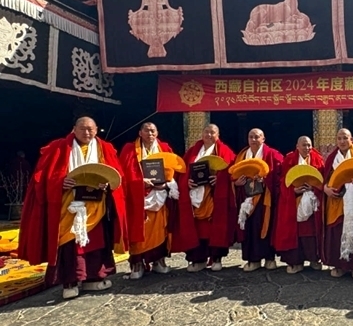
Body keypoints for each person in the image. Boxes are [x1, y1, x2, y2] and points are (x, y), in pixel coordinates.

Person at [18, 116, 127, 300]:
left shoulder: (105, 148)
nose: (87, 133)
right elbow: (42, 177)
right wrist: (60, 182)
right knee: (69, 242)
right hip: (69, 204)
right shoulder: (59, 148)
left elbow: (116, 175)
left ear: (96, 130)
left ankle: (93, 277)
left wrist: (108, 184)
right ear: (74, 129)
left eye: (91, 129)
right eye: (82, 129)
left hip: (95, 204)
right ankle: (70, 282)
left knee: (95, 241)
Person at [171, 124, 236, 272]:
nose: (209, 135)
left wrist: (219, 179)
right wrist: (187, 182)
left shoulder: (224, 151)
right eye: (206, 132)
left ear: (218, 135)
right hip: (195, 196)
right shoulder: (193, 151)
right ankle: (198, 259)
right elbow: (182, 171)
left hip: (213, 196)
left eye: (212, 133)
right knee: (197, 229)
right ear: (202, 134)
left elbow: (231, 171)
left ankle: (217, 258)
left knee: (216, 228)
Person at [119, 122, 175, 279]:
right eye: (147, 131)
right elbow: (123, 173)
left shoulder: (165, 148)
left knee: (160, 229)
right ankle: (137, 263)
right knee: (139, 229)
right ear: (140, 133)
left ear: (157, 133)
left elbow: (173, 169)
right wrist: (140, 182)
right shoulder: (129, 149)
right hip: (138, 198)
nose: (150, 134)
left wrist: (167, 183)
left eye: (153, 131)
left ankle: (159, 261)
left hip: (159, 196)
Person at [272, 136, 326, 274]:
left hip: (312, 202)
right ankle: (296, 262)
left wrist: (313, 188)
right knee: (295, 232)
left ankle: (314, 259)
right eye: (304, 145)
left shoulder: (318, 160)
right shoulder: (289, 160)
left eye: (309, 145)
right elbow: (282, 181)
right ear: (297, 146)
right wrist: (293, 190)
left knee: (311, 232)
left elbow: (322, 180)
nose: (307, 148)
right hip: (293, 202)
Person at [233, 128, 283, 272]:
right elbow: (233, 175)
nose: (253, 139)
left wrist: (266, 180)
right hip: (246, 197)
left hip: (265, 198)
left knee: (266, 226)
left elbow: (281, 175)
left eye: (257, 137)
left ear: (263, 139)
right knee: (249, 228)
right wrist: (236, 183)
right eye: (251, 137)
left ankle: (269, 258)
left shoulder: (272, 154)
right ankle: (253, 260)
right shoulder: (242, 156)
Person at [322, 128, 353, 279]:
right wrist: (325, 189)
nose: (342, 141)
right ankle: (339, 266)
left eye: (345, 138)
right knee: (336, 232)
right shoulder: (332, 158)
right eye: (339, 138)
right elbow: (325, 178)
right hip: (336, 200)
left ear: (351, 139)